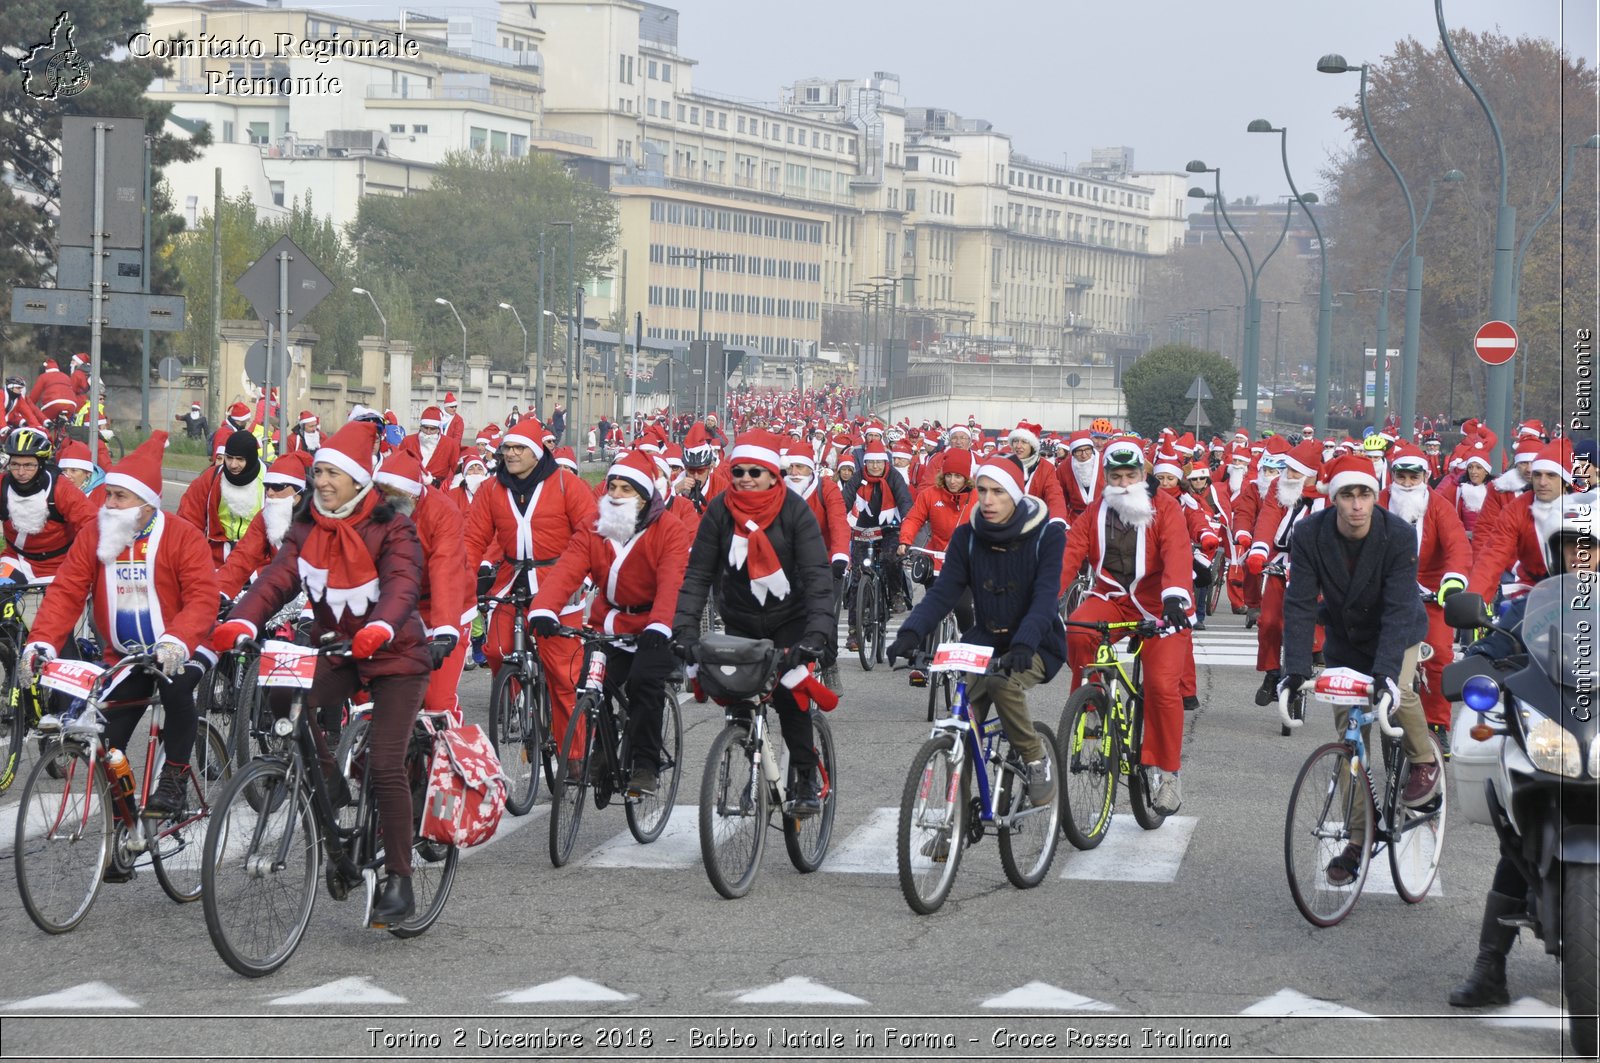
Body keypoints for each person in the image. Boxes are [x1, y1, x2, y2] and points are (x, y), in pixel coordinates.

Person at [213, 419, 431, 925]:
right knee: (280, 689)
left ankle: (399, 878)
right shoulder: (307, 524)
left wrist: (380, 627)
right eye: (319, 472)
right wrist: (244, 616)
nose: (323, 481)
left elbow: (403, 585)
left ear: (359, 480)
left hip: (397, 655)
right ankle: (328, 781)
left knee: (384, 762)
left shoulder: (392, 527)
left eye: (333, 473)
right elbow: (277, 578)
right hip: (341, 649)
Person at [21, 433, 217, 826]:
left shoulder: (182, 537)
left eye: (118, 497)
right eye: (107, 494)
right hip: (125, 655)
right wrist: (41, 642)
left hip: (184, 645)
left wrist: (177, 640)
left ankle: (175, 777)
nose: (107, 504)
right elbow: (66, 592)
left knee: (177, 688)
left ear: (146, 504)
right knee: (107, 741)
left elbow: (202, 597)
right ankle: (125, 828)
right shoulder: (96, 533)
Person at [1449, 491, 1595, 1007]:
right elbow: (1499, 639)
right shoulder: (1534, 604)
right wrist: (1477, 662)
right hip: (1553, 737)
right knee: (1516, 840)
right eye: (1572, 546)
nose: (1582, 555)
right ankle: (1490, 967)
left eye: (1591, 546)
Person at [1278, 454, 1437, 884]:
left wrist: (1385, 673)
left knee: (1397, 690)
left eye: (1364, 493)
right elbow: (1298, 603)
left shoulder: (1399, 534)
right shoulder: (1310, 532)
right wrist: (1293, 670)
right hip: (1346, 638)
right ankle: (1357, 838)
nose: (1356, 505)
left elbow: (1402, 605)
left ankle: (1424, 760)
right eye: (1346, 494)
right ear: (1334, 499)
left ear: (1375, 496)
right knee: (1349, 735)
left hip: (1397, 631)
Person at [670, 429, 834, 815]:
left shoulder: (795, 512)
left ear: (774, 475)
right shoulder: (719, 511)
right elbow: (697, 576)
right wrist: (685, 631)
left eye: (754, 472)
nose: (745, 478)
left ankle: (806, 779)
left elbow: (816, 576)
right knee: (738, 701)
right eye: (738, 471)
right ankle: (753, 765)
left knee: (790, 700)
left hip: (790, 620)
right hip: (740, 618)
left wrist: (817, 634)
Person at [886, 456, 1062, 812]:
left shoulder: (1047, 534)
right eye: (981, 490)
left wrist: (1025, 642)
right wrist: (911, 633)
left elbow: (1045, 598)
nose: (988, 499)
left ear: (1015, 494)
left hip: (1037, 643)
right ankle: (955, 821)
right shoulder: (967, 536)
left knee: (1002, 683)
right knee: (962, 727)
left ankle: (1034, 758)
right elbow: (943, 592)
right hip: (985, 640)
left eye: (998, 492)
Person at [530, 451, 689, 795]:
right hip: (610, 623)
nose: (615, 495)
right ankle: (602, 748)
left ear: (645, 498)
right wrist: (543, 608)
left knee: (645, 686)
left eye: (625, 490)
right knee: (590, 684)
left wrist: (660, 625)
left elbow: (671, 582)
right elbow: (567, 570)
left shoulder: (669, 530)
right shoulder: (594, 526)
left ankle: (646, 764)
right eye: (612, 486)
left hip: (654, 624)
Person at [1055, 438, 1196, 813]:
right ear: (1106, 477)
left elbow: (1178, 551)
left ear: (1143, 474)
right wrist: (1048, 596)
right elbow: (1071, 551)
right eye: (1115, 476)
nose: (1122, 483)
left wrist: (1173, 597)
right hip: (1113, 598)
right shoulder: (1095, 511)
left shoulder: (1165, 507)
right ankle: (1092, 703)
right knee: (1080, 628)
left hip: (1161, 605)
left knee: (1163, 686)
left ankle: (1168, 775)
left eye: (1130, 474)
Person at [464, 420, 596, 762]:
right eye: (507, 448)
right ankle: (522, 691)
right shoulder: (492, 489)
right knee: (495, 649)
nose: (510, 453)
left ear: (537, 453)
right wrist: (465, 577)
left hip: (558, 583)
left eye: (519, 448)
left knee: (564, 679)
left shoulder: (567, 484)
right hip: (511, 580)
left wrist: (583, 577)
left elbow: (591, 532)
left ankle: (575, 757)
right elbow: (472, 538)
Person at [1380, 442, 1472, 745]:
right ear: (1393, 476)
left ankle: (1436, 725)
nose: (1407, 484)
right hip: (1388, 592)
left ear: (1425, 476)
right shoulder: (1380, 502)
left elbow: (1458, 545)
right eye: (1401, 477)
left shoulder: (1439, 506)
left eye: (1414, 477)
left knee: (1440, 656)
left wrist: (1453, 580)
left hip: (1432, 593)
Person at [373, 450, 473, 721]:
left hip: (444, 606)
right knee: (370, 698)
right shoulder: (372, 510)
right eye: (382, 492)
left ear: (414, 494)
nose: (386, 501)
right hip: (397, 606)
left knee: (436, 702)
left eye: (394, 494)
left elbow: (446, 569)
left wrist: (444, 629)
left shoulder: (443, 512)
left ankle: (448, 758)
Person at [1468, 438, 1573, 602]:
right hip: (1527, 591)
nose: (1542, 482)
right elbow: (1493, 553)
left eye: (1551, 475)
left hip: (1577, 594)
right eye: (1537, 475)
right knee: (1505, 625)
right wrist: (1474, 598)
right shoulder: (1517, 508)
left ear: (1566, 481)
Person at [842, 439, 914, 650]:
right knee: (857, 579)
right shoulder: (857, 478)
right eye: (871, 462)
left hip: (890, 529)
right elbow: (842, 504)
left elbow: (906, 504)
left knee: (891, 558)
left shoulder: (895, 477)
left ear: (885, 462)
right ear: (865, 463)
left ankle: (895, 594)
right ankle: (854, 633)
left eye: (879, 462)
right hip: (863, 531)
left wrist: (906, 534)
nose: (875, 466)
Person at [0, 427, 94, 586]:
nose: (21, 472)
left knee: (56, 610)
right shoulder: (3, 484)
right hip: (16, 559)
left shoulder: (61, 488)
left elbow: (91, 524)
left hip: (60, 565)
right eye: (15, 465)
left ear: (41, 465)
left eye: (29, 465)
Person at [215, 455, 307, 600]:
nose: (270, 493)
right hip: (282, 591)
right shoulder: (266, 516)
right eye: (267, 486)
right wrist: (218, 592)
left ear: (298, 491)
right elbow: (243, 557)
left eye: (278, 487)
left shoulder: (320, 517)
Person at [178, 430, 266, 565]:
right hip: (216, 559)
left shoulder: (269, 480)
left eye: (240, 459)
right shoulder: (210, 478)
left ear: (252, 458)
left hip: (259, 561)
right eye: (229, 457)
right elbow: (188, 520)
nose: (233, 465)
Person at [397, 406, 460, 488]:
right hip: (410, 487)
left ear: (439, 429)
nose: (428, 432)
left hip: (437, 489)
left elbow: (457, 471)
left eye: (432, 429)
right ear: (420, 426)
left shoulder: (450, 444)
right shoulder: (408, 441)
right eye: (425, 428)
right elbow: (399, 465)